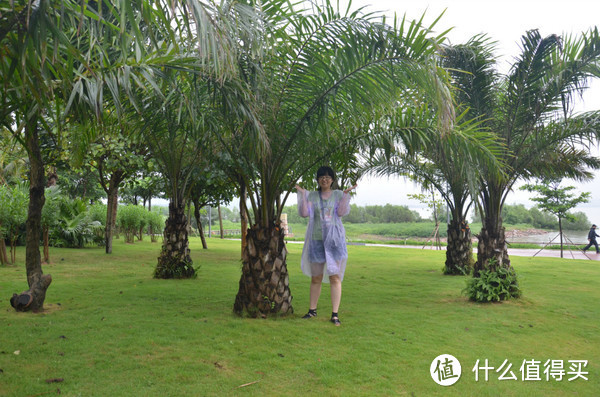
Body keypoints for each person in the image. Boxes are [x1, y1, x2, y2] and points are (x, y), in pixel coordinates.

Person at [295, 166, 356, 326]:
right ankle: (312, 310)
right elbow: (304, 213)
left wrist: (345, 196)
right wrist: (303, 195)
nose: (325, 179)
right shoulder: (313, 196)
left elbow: (342, 212)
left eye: (328, 177)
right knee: (316, 278)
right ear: (318, 179)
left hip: (334, 241)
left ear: (332, 180)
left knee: (335, 277)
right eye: (322, 176)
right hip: (316, 240)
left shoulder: (337, 194)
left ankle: (335, 314)